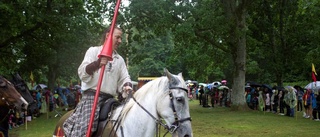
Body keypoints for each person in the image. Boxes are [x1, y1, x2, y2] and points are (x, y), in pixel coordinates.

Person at [63, 26, 132, 137]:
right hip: (92, 97)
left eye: (121, 38)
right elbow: (82, 73)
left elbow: (124, 78)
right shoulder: (93, 51)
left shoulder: (119, 59)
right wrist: (97, 63)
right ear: (108, 36)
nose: (120, 41)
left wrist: (126, 86)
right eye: (117, 37)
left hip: (110, 99)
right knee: (84, 130)